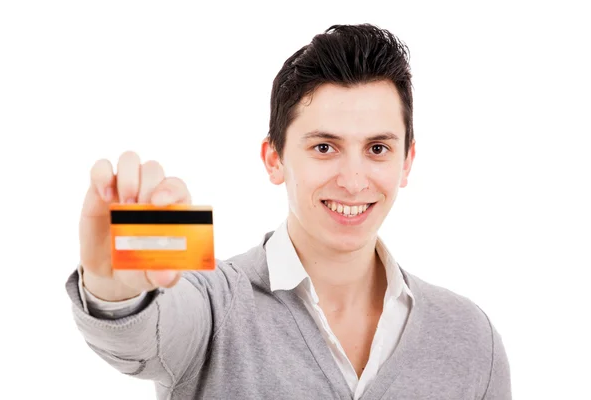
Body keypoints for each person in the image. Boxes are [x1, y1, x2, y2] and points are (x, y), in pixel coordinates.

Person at [66, 23, 511, 399]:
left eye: (377, 148)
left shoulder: (471, 337)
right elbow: (140, 336)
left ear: (407, 162)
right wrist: (115, 288)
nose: (354, 181)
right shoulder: (214, 304)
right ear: (274, 159)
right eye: (324, 147)